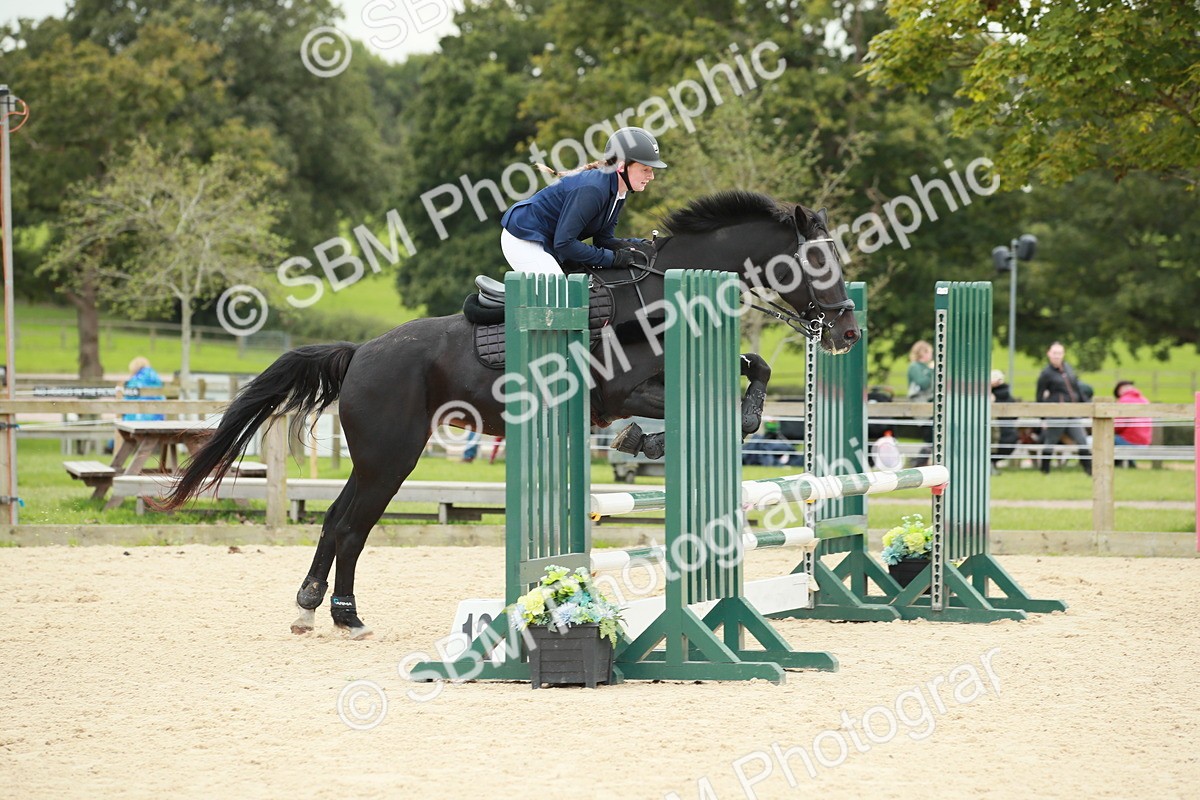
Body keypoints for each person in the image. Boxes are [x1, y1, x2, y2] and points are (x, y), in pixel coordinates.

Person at [500, 126, 667, 275]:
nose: (651, 176)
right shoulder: (594, 189)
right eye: (645, 169)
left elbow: (604, 240)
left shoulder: (617, 191)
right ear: (621, 166)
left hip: (547, 241)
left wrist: (641, 246)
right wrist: (613, 259)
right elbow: (564, 243)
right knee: (558, 293)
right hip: (523, 237)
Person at [1035, 342, 1091, 475]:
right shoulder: (1046, 373)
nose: (1057, 356)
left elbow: (1076, 388)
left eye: (1059, 353)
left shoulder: (1068, 368)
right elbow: (1039, 395)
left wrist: (1087, 406)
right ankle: (1045, 470)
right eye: (1054, 353)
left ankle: (1089, 470)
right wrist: (1042, 417)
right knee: (1051, 441)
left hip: (1072, 411)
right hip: (1057, 412)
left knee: (1081, 440)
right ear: (1049, 354)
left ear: (1063, 354)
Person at [906, 340, 934, 465]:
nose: (931, 355)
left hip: (930, 404)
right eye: (929, 352)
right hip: (922, 405)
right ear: (922, 353)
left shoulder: (924, 367)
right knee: (930, 436)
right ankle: (918, 462)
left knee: (932, 436)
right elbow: (923, 383)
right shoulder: (915, 367)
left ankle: (923, 461)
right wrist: (931, 371)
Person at [1113, 380, 1152, 467]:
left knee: (1105, 439)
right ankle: (1128, 464)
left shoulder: (1124, 401)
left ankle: (1114, 465)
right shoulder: (1144, 400)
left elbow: (1118, 425)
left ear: (1120, 390)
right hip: (1145, 442)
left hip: (1131, 442)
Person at [990, 369, 1020, 471]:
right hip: (1010, 436)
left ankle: (991, 465)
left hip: (1000, 437)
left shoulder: (992, 396)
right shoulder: (1008, 395)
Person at [120, 356, 165, 422]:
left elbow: (128, 398)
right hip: (156, 417)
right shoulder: (155, 377)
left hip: (136, 418)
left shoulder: (135, 380)